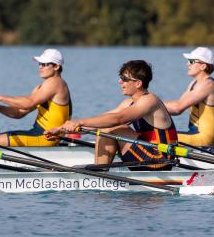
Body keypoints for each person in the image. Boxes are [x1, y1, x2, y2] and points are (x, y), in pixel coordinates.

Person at [45, 60, 178, 170]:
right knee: (105, 126)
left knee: (111, 128)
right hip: (147, 155)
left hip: (160, 159)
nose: (120, 82)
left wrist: (80, 122)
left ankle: (99, 172)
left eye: (124, 79)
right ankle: (100, 170)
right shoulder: (129, 103)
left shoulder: (150, 100)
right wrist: (61, 130)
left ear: (138, 83)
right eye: (121, 78)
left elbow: (117, 119)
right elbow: (102, 120)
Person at [0, 48, 72, 146]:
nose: (40, 67)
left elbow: (28, 103)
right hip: (39, 134)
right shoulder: (41, 88)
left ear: (56, 66)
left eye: (44, 64)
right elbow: (19, 113)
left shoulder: (56, 82)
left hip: (47, 136)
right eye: (39, 64)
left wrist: (0, 97)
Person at [164, 47, 214, 146]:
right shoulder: (194, 83)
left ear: (203, 66)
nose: (188, 64)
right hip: (193, 134)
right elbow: (178, 105)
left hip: (203, 138)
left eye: (191, 61)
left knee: (155, 136)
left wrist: (148, 106)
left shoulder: (208, 85)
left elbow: (177, 108)